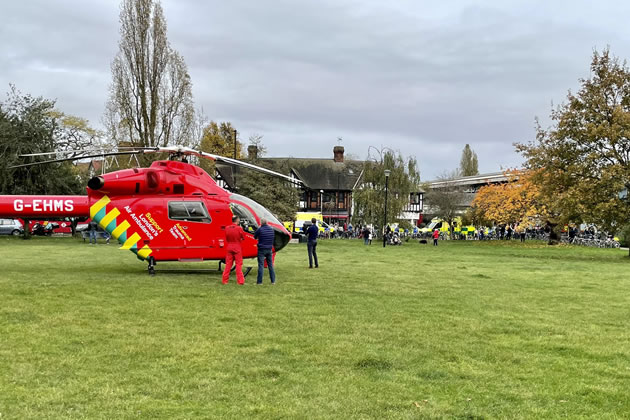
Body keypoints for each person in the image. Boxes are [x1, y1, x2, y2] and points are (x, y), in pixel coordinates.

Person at [222, 215, 246, 285]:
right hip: (237, 246)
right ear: (237, 220)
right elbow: (243, 237)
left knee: (228, 264)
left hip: (229, 246)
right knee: (238, 264)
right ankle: (240, 281)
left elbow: (226, 237)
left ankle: (225, 280)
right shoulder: (239, 228)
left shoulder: (227, 228)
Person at [254, 218, 276, 285]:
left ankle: (259, 281)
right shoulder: (271, 229)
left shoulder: (260, 229)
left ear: (261, 223)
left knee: (261, 265)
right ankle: (273, 281)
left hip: (261, 249)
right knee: (270, 265)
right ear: (267, 222)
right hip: (269, 249)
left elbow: (255, 236)